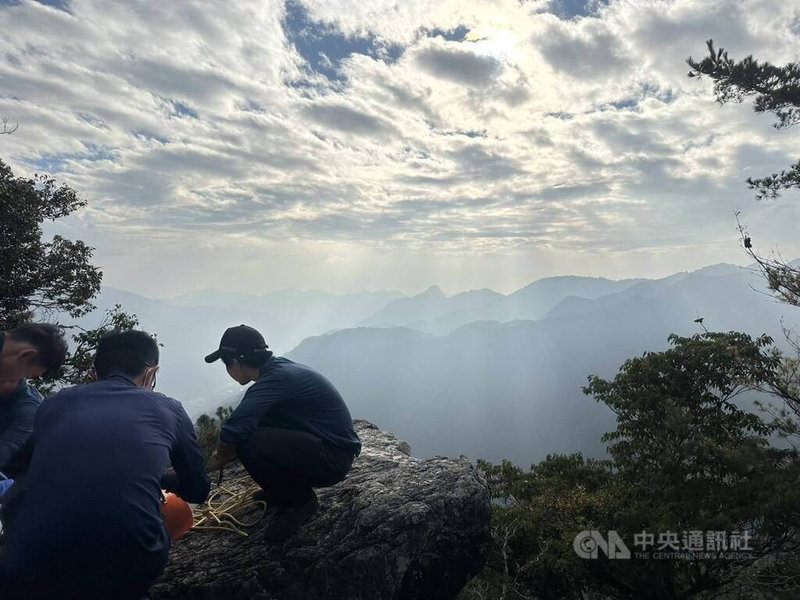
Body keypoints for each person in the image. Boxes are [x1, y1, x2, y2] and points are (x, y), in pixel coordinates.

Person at [0, 330, 210, 600]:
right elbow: (198, 489)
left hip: (28, 561)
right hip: (131, 564)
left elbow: (38, 470)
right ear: (151, 373)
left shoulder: (52, 404)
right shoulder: (169, 408)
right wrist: (157, 477)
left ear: (94, 371)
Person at [204, 324, 361, 542]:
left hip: (333, 459)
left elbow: (235, 428)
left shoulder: (276, 379)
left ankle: (300, 502)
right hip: (330, 450)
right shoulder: (279, 371)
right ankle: (281, 492)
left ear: (236, 363)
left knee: (247, 441)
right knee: (253, 431)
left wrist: (219, 458)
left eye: (226, 364)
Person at [0, 323, 67, 477]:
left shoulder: (27, 405)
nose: (20, 379)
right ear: (26, 355)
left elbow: (8, 447)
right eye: (27, 374)